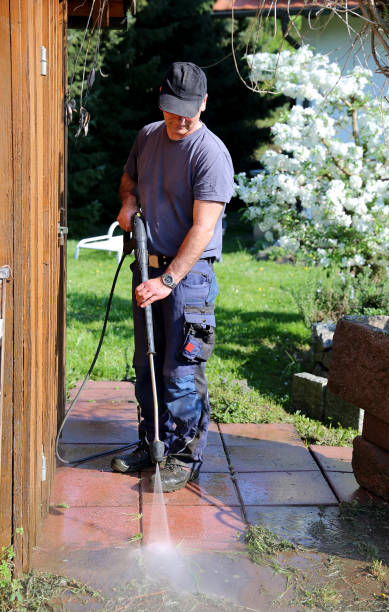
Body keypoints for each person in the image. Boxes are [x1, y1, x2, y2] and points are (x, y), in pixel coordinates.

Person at [111, 61, 234, 492]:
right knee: (147, 363)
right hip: (149, 265)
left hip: (190, 277)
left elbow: (203, 229)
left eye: (188, 109)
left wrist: (168, 281)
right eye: (171, 108)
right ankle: (153, 441)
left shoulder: (210, 153)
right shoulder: (148, 136)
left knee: (180, 368)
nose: (179, 119)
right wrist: (128, 204)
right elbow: (130, 178)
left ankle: (183, 456)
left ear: (203, 102)